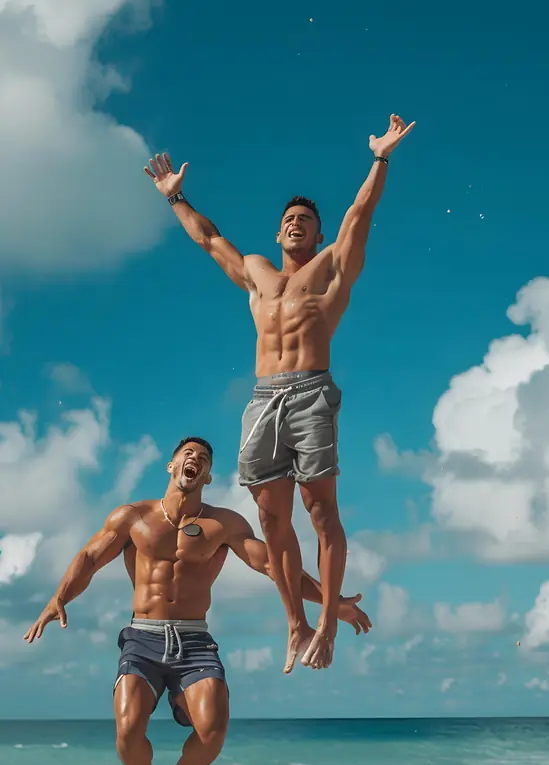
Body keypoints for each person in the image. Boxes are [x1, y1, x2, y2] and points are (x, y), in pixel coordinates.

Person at [143, 113, 414, 674]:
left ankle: (328, 631)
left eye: (306, 220)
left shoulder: (333, 268)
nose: (296, 222)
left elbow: (360, 214)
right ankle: (297, 623)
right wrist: (176, 199)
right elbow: (210, 238)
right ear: (278, 232)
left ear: (317, 235)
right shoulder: (258, 272)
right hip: (263, 398)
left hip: (311, 393)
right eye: (289, 217)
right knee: (270, 520)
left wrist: (380, 158)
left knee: (320, 509)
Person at [23, 438, 372, 765]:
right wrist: (59, 597)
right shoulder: (132, 517)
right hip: (144, 637)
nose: (195, 458)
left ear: (207, 476)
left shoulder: (223, 524)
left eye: (203, 458)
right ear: (170, 466)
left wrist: (332, 602)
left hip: (194, 642)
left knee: (213, 732)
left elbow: (274, 566)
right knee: (127, 733)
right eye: (187, 454)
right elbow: (89, 557)